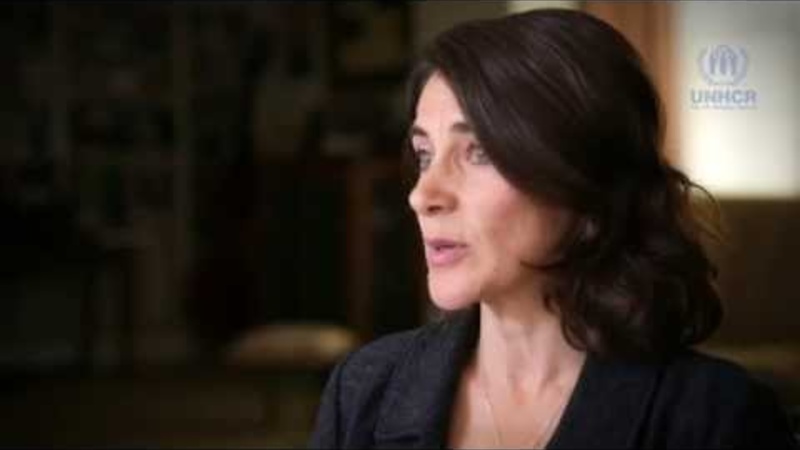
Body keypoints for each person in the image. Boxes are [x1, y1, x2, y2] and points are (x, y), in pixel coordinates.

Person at [308, 9, 798, 449]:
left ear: (585, 181)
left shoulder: (716, 416)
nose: (422, 195)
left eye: (478, 152)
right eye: (424, 155)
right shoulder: (363, 391)